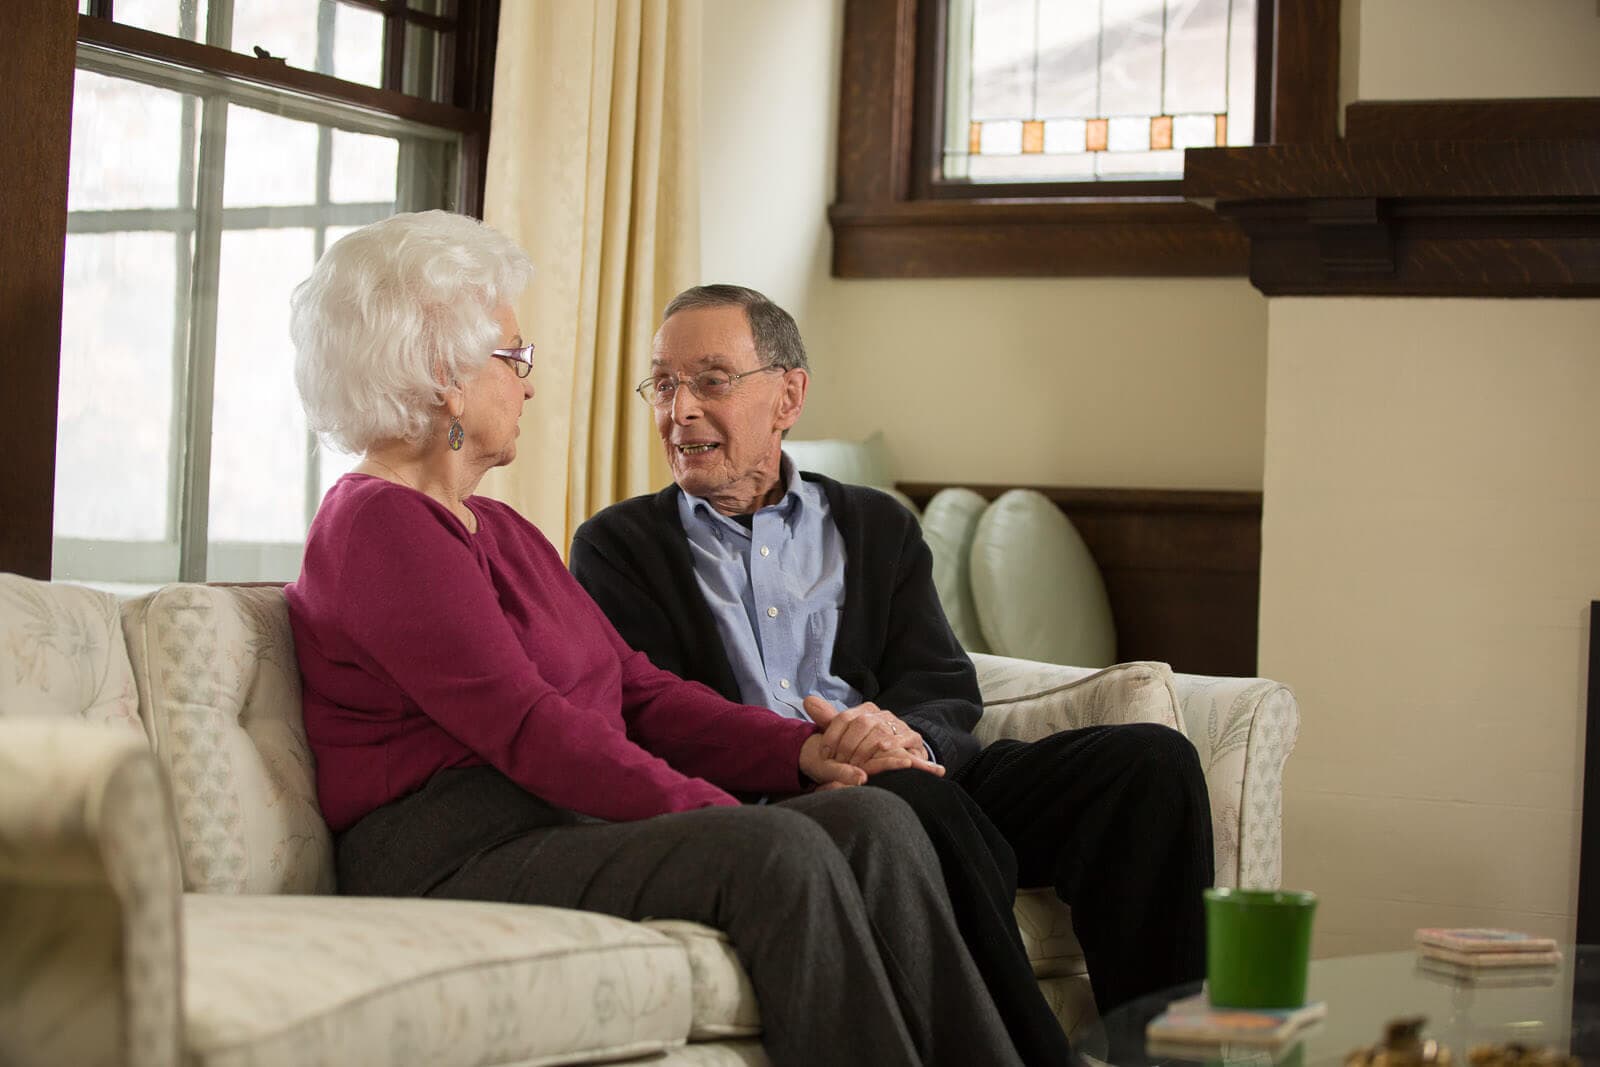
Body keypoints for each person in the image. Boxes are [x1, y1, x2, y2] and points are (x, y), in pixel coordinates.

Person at [283, 212, 1031, 1067]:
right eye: (514, 357)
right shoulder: (379, 526)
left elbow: (636, 689)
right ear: (445, 376)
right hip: (453, 850)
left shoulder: (499, 529)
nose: (528, 385)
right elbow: (528, 727)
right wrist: (714, 809)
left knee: (870, 816)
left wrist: (802, 752)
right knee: (781, 849)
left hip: (551, 823)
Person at [570, 284, 1216, 1025]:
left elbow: (941, 680)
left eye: (710, 381)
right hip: (777, 804)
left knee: (1149, 763)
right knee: (905, 801)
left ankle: (1163, 1052)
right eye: (663, 384)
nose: (679, 409)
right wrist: (823, 757)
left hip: (916, 773)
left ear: (788, 396)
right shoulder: (618, 547)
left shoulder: (876, 524)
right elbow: (656, 716)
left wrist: (903, 740)